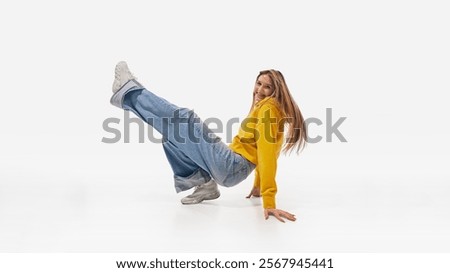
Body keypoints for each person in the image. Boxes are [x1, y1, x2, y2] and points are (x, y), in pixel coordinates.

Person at [110, 61, 307, 222]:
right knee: (172, 137)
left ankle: (130, 91)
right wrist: (257, 185)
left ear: (277, 90)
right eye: (259, 83)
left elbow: (266, 153)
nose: (260, 89)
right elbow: (264, 149)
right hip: (232, 166)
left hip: (232, 165)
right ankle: (204, 185)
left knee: (186, 119)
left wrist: (269, 199)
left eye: (267, 86)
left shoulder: (269, 109)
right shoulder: (266, 108)